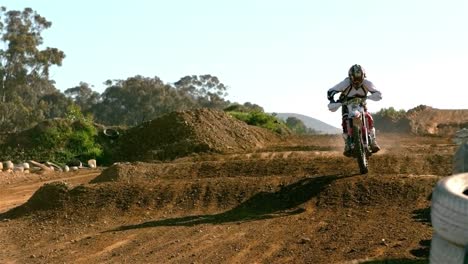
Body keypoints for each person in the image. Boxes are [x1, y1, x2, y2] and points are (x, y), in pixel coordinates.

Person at [327, 64, 382, 156]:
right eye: (354, 79)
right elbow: (330, 91)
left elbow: (379, 94)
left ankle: (373, 141)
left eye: (359, 79)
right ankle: (347, 144)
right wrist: (333, 101)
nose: (356, 82)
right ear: (350, 77)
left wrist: (368, 97)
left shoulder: (367, 83)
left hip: (361, 103)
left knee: (368, 117)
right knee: (345, 121)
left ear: (363, 76)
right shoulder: (345, 83)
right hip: (346, 104)